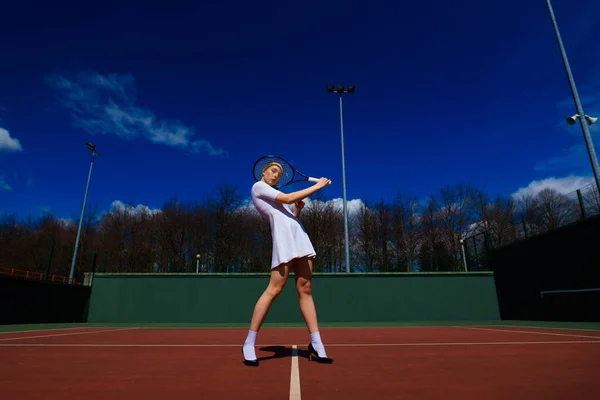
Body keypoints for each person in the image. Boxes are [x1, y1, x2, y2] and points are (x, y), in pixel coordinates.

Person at [242, 160, 334, 366]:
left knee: (306, 289)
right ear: (263, 172)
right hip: (283, 239)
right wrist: (317, 186)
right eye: (273, 170)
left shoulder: (275, 197)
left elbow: (288, 215)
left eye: (280, 173)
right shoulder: (259, 187)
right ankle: (249, 342)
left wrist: (297, 211)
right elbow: (289, 197)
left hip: (298, 235)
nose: (277, 175)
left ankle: (316, 343)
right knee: (274, 290)